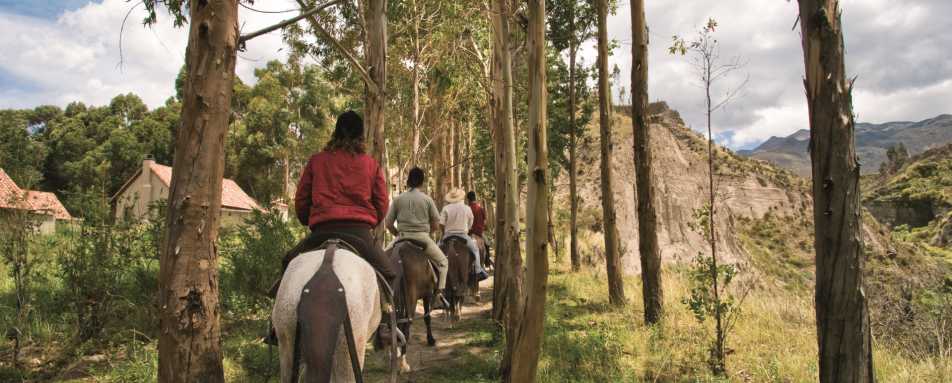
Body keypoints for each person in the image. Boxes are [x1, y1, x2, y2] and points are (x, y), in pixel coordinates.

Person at [267, 110, 397, 345]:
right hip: (359, 233)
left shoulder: (317, 161)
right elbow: (381, 204)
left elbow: (301, 201)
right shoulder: (370, 165)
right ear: (361, 136)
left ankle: (276, 327)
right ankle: (385, 327)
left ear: (335, 132)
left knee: (288, 263)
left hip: (321, 232)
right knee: (388, 273)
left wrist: (309, 218)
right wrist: (371, 221)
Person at [385, 167, 450, 309]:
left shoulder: (398, 199)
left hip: (401, 238)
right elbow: (436, 223)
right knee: (444, 263)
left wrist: (397, 235)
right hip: (422, 238)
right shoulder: (427, 199)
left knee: (382, 259)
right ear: (422, 182)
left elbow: (388, 223)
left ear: (408, 181)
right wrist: (429, 232)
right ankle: (439, 296)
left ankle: (382, 296)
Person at [440, 189, 489, 281]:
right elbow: (471, 221)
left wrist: (444, 233)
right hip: (463, 235)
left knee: (438, 249)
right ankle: (478, 270)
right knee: (475, 249)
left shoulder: (445, 208)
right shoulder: (467, 208)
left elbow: (441, 224)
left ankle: (437, 274)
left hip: (448, 235)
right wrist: (467, 229)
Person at [466, 190, 490, 265]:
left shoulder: (467, 209)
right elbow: (485, 223)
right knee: (487, 244)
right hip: (479, 233)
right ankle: (487, 261)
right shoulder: (481, 209)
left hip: (469, 233)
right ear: (475, 198)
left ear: (468, 200)